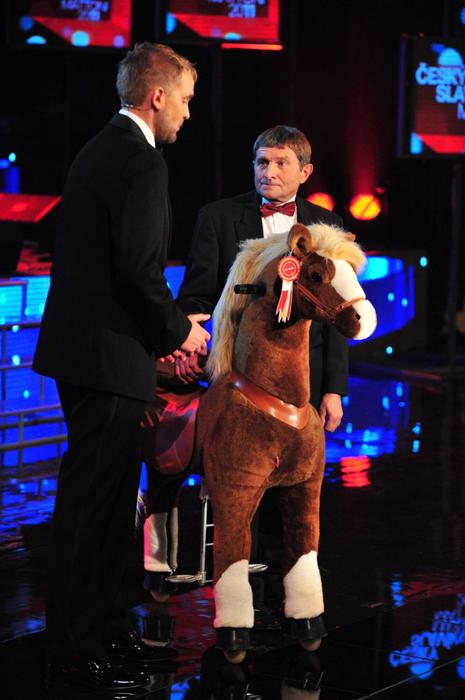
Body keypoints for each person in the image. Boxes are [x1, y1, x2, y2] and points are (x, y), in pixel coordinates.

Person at [32, 42, 210, 690]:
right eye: (184, 100)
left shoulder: (103, 149)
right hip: (105, 358)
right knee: (91, 506)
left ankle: (104, 628)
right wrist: (181, 333)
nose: (187, 114)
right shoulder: (138, 159)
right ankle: (73, 644)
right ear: (156, 96)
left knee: (108, 506)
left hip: (95, 355)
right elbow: (137, 273)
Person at [175, 124, 348, 612]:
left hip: (302, 386)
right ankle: (239, 607)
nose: (268, 172)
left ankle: (285, 604)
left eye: (280, 163)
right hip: (240, 384)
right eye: (261, 162)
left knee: (295, 496)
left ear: (305, 171)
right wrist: (190, 331)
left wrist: (334, 389)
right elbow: (196, 295)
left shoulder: (326, 226)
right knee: (240, 494)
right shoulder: (218, 217)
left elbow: (337, 314)